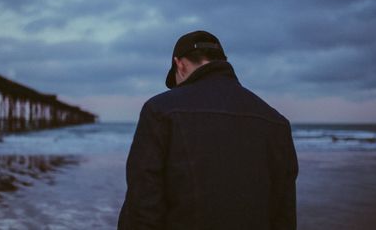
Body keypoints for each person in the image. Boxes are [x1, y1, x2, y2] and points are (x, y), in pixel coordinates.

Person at [118, 30, 298, 230]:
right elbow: (284, 214)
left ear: (180, 65)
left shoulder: (160, 111)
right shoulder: (275, 122)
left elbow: (142, 207)